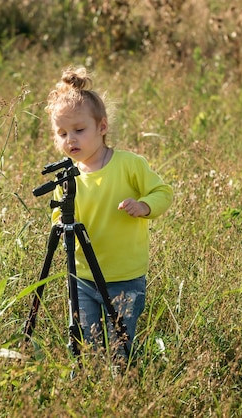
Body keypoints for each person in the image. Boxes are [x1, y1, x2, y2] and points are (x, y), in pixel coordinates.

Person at [44, 67, 173, 363]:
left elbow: (163, 192)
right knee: (88, 345)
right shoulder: (65, 174)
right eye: (62, 133)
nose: (70, 139)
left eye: (79, 130)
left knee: (120, 345)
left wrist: (145, 206)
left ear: (102, 127)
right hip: (82, 277)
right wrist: (61, 225)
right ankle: (90, 385)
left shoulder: (128, 164)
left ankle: (123, 386)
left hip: (124, 276)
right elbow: (56, 214)